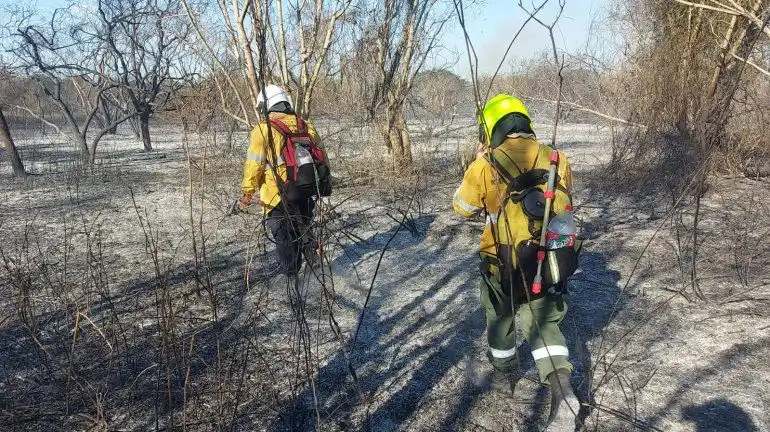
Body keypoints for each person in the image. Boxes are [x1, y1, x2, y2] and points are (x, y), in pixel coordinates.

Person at [453, 94, 580, 430]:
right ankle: (562, 390)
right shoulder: (557, 157)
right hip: (547, 261)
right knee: (545, 324)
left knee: (500, 317)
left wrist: (476, 162)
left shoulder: (485, 164)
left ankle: (504, 376)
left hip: (501, 264)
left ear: (491, 127)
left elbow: (462, 209)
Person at [235, 84, 331, 276]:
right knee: (304, 226)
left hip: (277, 195)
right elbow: (323, 157)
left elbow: (254, 165)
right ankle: (316, 271)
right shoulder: (305, 125)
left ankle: (292, 280)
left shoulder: (264, 129)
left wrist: (247, 192)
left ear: (265, 106)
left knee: (285, 237)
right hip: (305, 188)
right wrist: (325, 181)